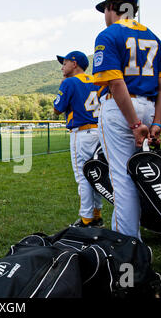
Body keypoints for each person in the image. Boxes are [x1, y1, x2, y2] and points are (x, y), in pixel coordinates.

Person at [92, 0, 161, 238]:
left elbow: (116, 83)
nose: (104, 14)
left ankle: (128, 248)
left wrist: (135, 124)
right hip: (148, 105)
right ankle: (132, 238)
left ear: (111, 8)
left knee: (122, 179)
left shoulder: (108, 35)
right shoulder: (156, 39)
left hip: (122, 108)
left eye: (105, 8)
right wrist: (156, 122)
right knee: (137, 176)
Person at [53, 51, 104, 228]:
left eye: (65, 63)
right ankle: (97, 214)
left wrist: (62, 84)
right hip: (100, 133)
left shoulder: (69, 82)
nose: (62, 67)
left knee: (83, 177)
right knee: (97, 174)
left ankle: (86, 219)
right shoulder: (97, 79)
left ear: (75, 64)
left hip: (81, 134)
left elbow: (57, 108)